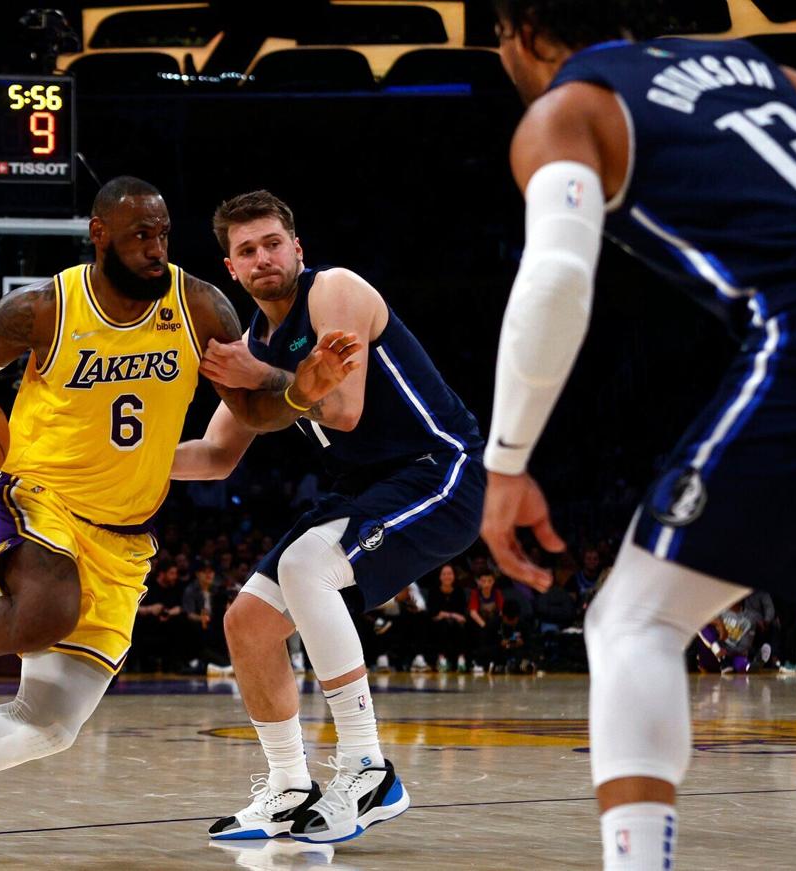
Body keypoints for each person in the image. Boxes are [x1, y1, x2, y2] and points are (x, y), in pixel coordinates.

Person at [0, 176, 360, 856]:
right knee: (48, 610)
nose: (155, 248)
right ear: (100, 236)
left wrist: (300, 392)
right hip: (40, 495)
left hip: (124, 536)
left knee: (48, 726)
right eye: (140, 235)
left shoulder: (200, 307)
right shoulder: (43, 308)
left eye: (163, 234)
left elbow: (251, 411)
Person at [482, 3, 796, 868]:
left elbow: (559, 283)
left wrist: (507, 460)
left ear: (528, 31)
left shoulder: (568, 110)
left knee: (633, 621)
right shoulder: (762, 69)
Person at [172, 190, 485, 843]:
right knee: (248, 621)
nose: (263, 258)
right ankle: (289, 787)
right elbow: (213, 456)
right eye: (246, 250)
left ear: (297, 248)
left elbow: (341, 409)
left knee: (304, 564)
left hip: (440, 471)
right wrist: (109, 462)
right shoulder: (252, 341)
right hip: (365, 490)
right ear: (231, 268)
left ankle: (368, 768)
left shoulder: (335, 291)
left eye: (272, 243)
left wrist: (255, 373)